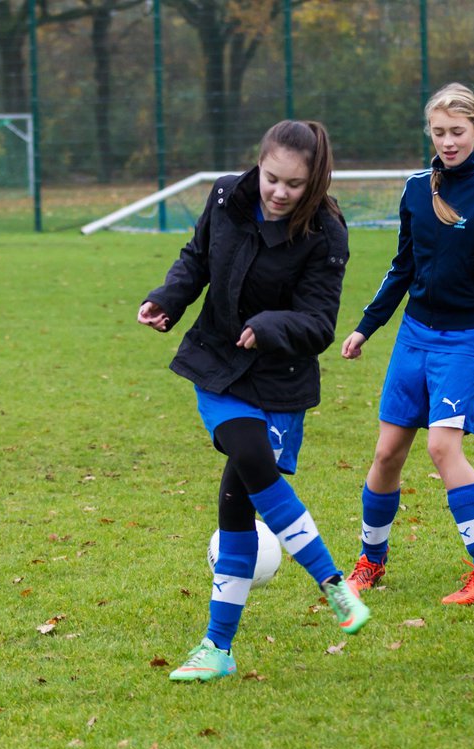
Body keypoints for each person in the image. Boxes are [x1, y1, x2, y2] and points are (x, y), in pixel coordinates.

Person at [138, 119, 370, 683]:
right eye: (271, 178)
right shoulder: (224, 196)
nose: (279, 192)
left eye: (294, 184)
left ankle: (217, 649)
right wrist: (167, 299)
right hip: (218, 367)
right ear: (258, 165)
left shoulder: (327, 233)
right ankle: (333, 584)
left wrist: (269, 325)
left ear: (314, 181)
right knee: (249, 455)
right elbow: (196, 259)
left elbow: (319, 323)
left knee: (237, 505)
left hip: (280, 378)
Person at [339, 83, 474, 605]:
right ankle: (371, 561)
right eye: (439, 132)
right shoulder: (415, 188)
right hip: (415, 334)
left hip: (468, 337)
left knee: (440, 445)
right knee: (387, 452)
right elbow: (403, 266)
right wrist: (367, 326)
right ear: (429, 133)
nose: (449, 141)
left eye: (458, 131)